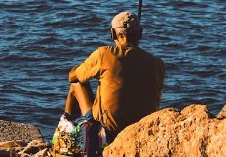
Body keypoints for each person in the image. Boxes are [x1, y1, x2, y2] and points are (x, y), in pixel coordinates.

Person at [63, 11, 165, 143]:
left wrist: (82, 69)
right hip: (141, 132)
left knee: (76, 84)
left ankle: (64, 134)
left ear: (113, 34)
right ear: (140, 33)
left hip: (106, 133)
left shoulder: (104, 54)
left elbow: (73, 76)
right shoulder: (158, 64)